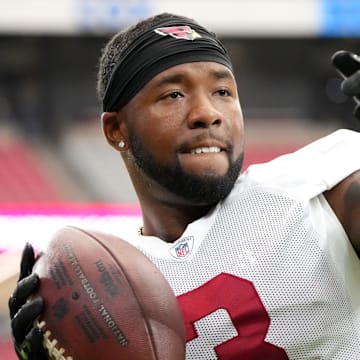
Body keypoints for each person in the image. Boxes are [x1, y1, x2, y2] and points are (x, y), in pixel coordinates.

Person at [8, 12, 360, 360]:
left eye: (223, 91)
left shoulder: (311, 185)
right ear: (117, 130)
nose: (208, 113)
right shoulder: (106, 281)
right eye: (174, 95)